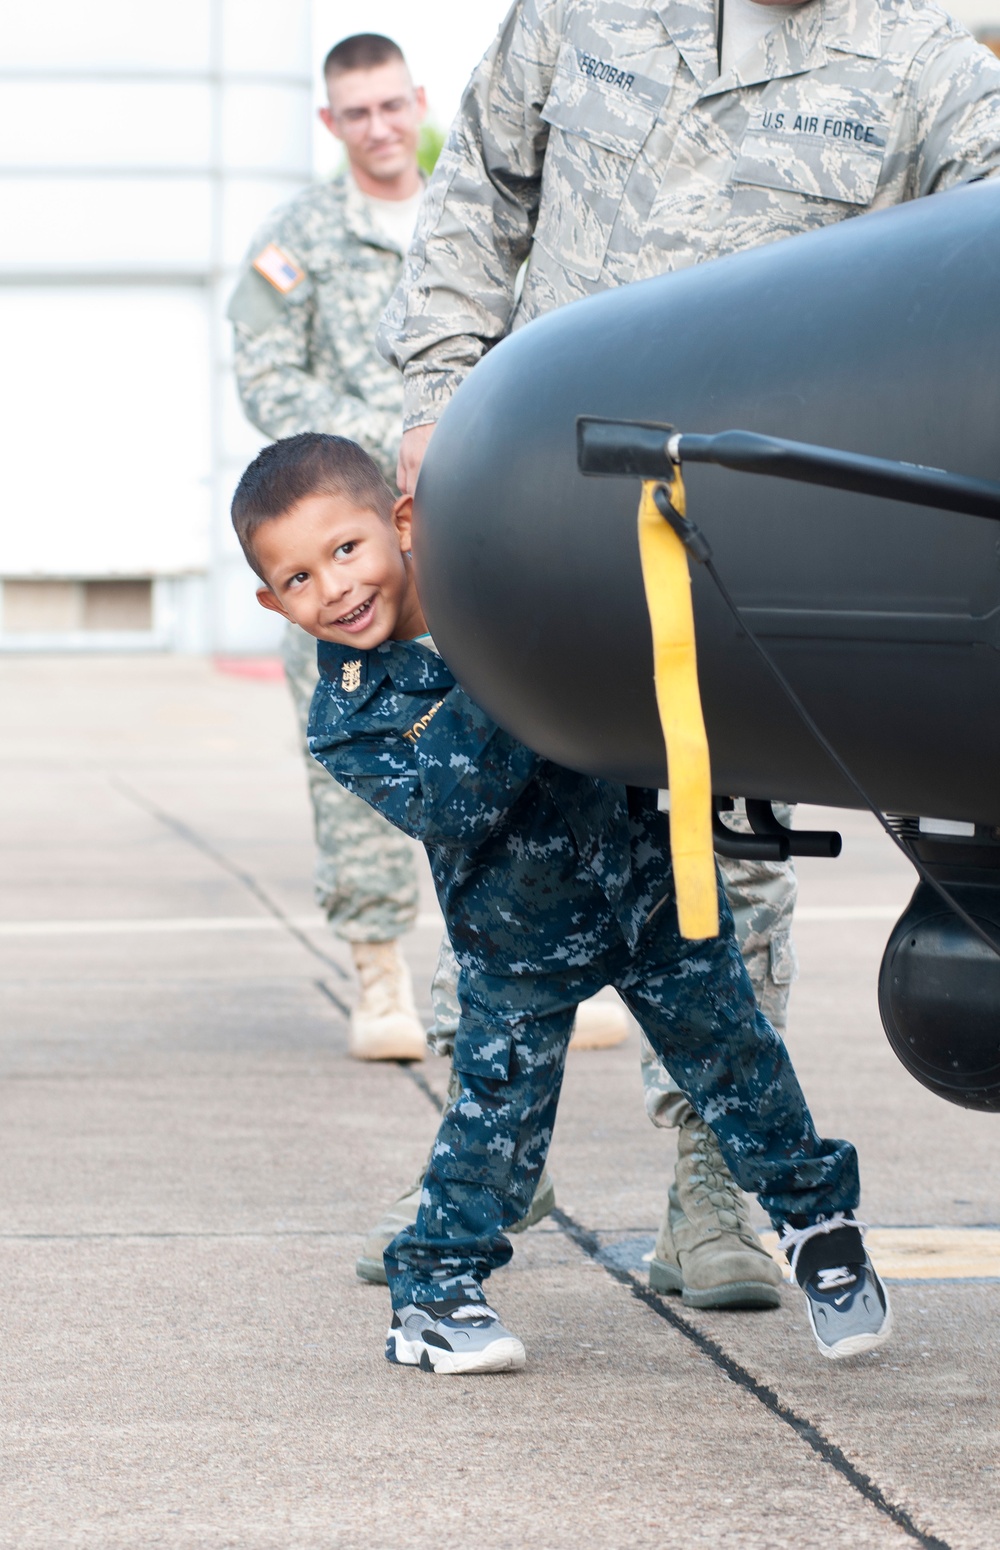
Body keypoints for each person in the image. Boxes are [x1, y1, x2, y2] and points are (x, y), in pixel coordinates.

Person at [377, 0, 1000, 1305]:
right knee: (502, 852)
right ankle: (486, 1169)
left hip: (738, 544)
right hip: (535, 506)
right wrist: (439, 400)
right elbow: (475, 198)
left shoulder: (929, 62)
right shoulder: (573, 15)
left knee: (721, 878)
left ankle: (710, 1192)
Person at [229, 430, 893, 1375]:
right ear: (271, 601)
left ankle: (819, 1228)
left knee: (741, 1069)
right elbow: (456, 800)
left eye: (346, 549)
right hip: (514, 947)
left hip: (650, 898)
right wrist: (507, 648)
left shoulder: (507, 586)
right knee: (494, 1137)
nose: (333, 587)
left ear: (403, 523)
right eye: (296, 579)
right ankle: (434, 1299)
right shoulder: (351, 714)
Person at [229, 30, 628, 1073]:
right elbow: (272, 391)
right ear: (333, 123)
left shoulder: (483, 221)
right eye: (354, 112)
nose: (377, 126)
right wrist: (394, 442)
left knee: (517, 748)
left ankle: (546, 964)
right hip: (346, 550)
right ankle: (377, 966)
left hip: (468, 548)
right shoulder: (296, 243)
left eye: (390, 105)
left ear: (417, 103)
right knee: (366, 770)